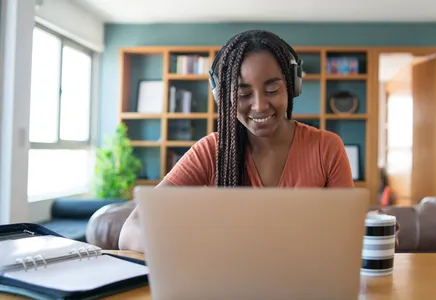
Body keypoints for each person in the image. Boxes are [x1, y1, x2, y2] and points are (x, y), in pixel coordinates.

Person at [119, 30, 398, 252]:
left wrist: (367, 239)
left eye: (272, 89)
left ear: (292, 86)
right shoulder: (210, 151)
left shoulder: (327, 148)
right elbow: (131, 229)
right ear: (224, 97)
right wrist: (188, 249)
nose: (260, 106)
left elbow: (344, 237)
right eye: (243, 94)